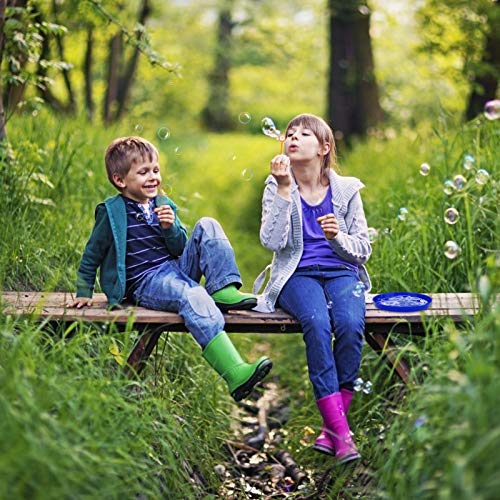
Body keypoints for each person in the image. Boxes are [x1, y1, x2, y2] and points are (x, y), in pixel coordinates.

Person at [69, 136, 272, 402]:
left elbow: (179, 248)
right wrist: (83, 290)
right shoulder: (112, 212)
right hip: (145, 281)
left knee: (208, 224)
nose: (153, 177)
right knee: (194, 295)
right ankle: (235, 374)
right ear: (121, 180)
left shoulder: (163, 204)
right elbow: (92, 252)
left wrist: (170, 228)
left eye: (155, 170)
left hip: (174, 268)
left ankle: (223, 289)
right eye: (143, 172)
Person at [253, 114, 372, 463]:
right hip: (296, 275)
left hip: (341, 274)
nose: (294, 137)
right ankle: (342, 435)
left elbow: (363, 248)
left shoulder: (347, 190)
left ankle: (332, 429)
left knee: (350, 327)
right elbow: (270, 241)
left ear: (324, 147)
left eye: (305, 134)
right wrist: (284, 191)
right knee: (318, 325)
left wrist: (338, 238)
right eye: (290, 133)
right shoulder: (276, 185)